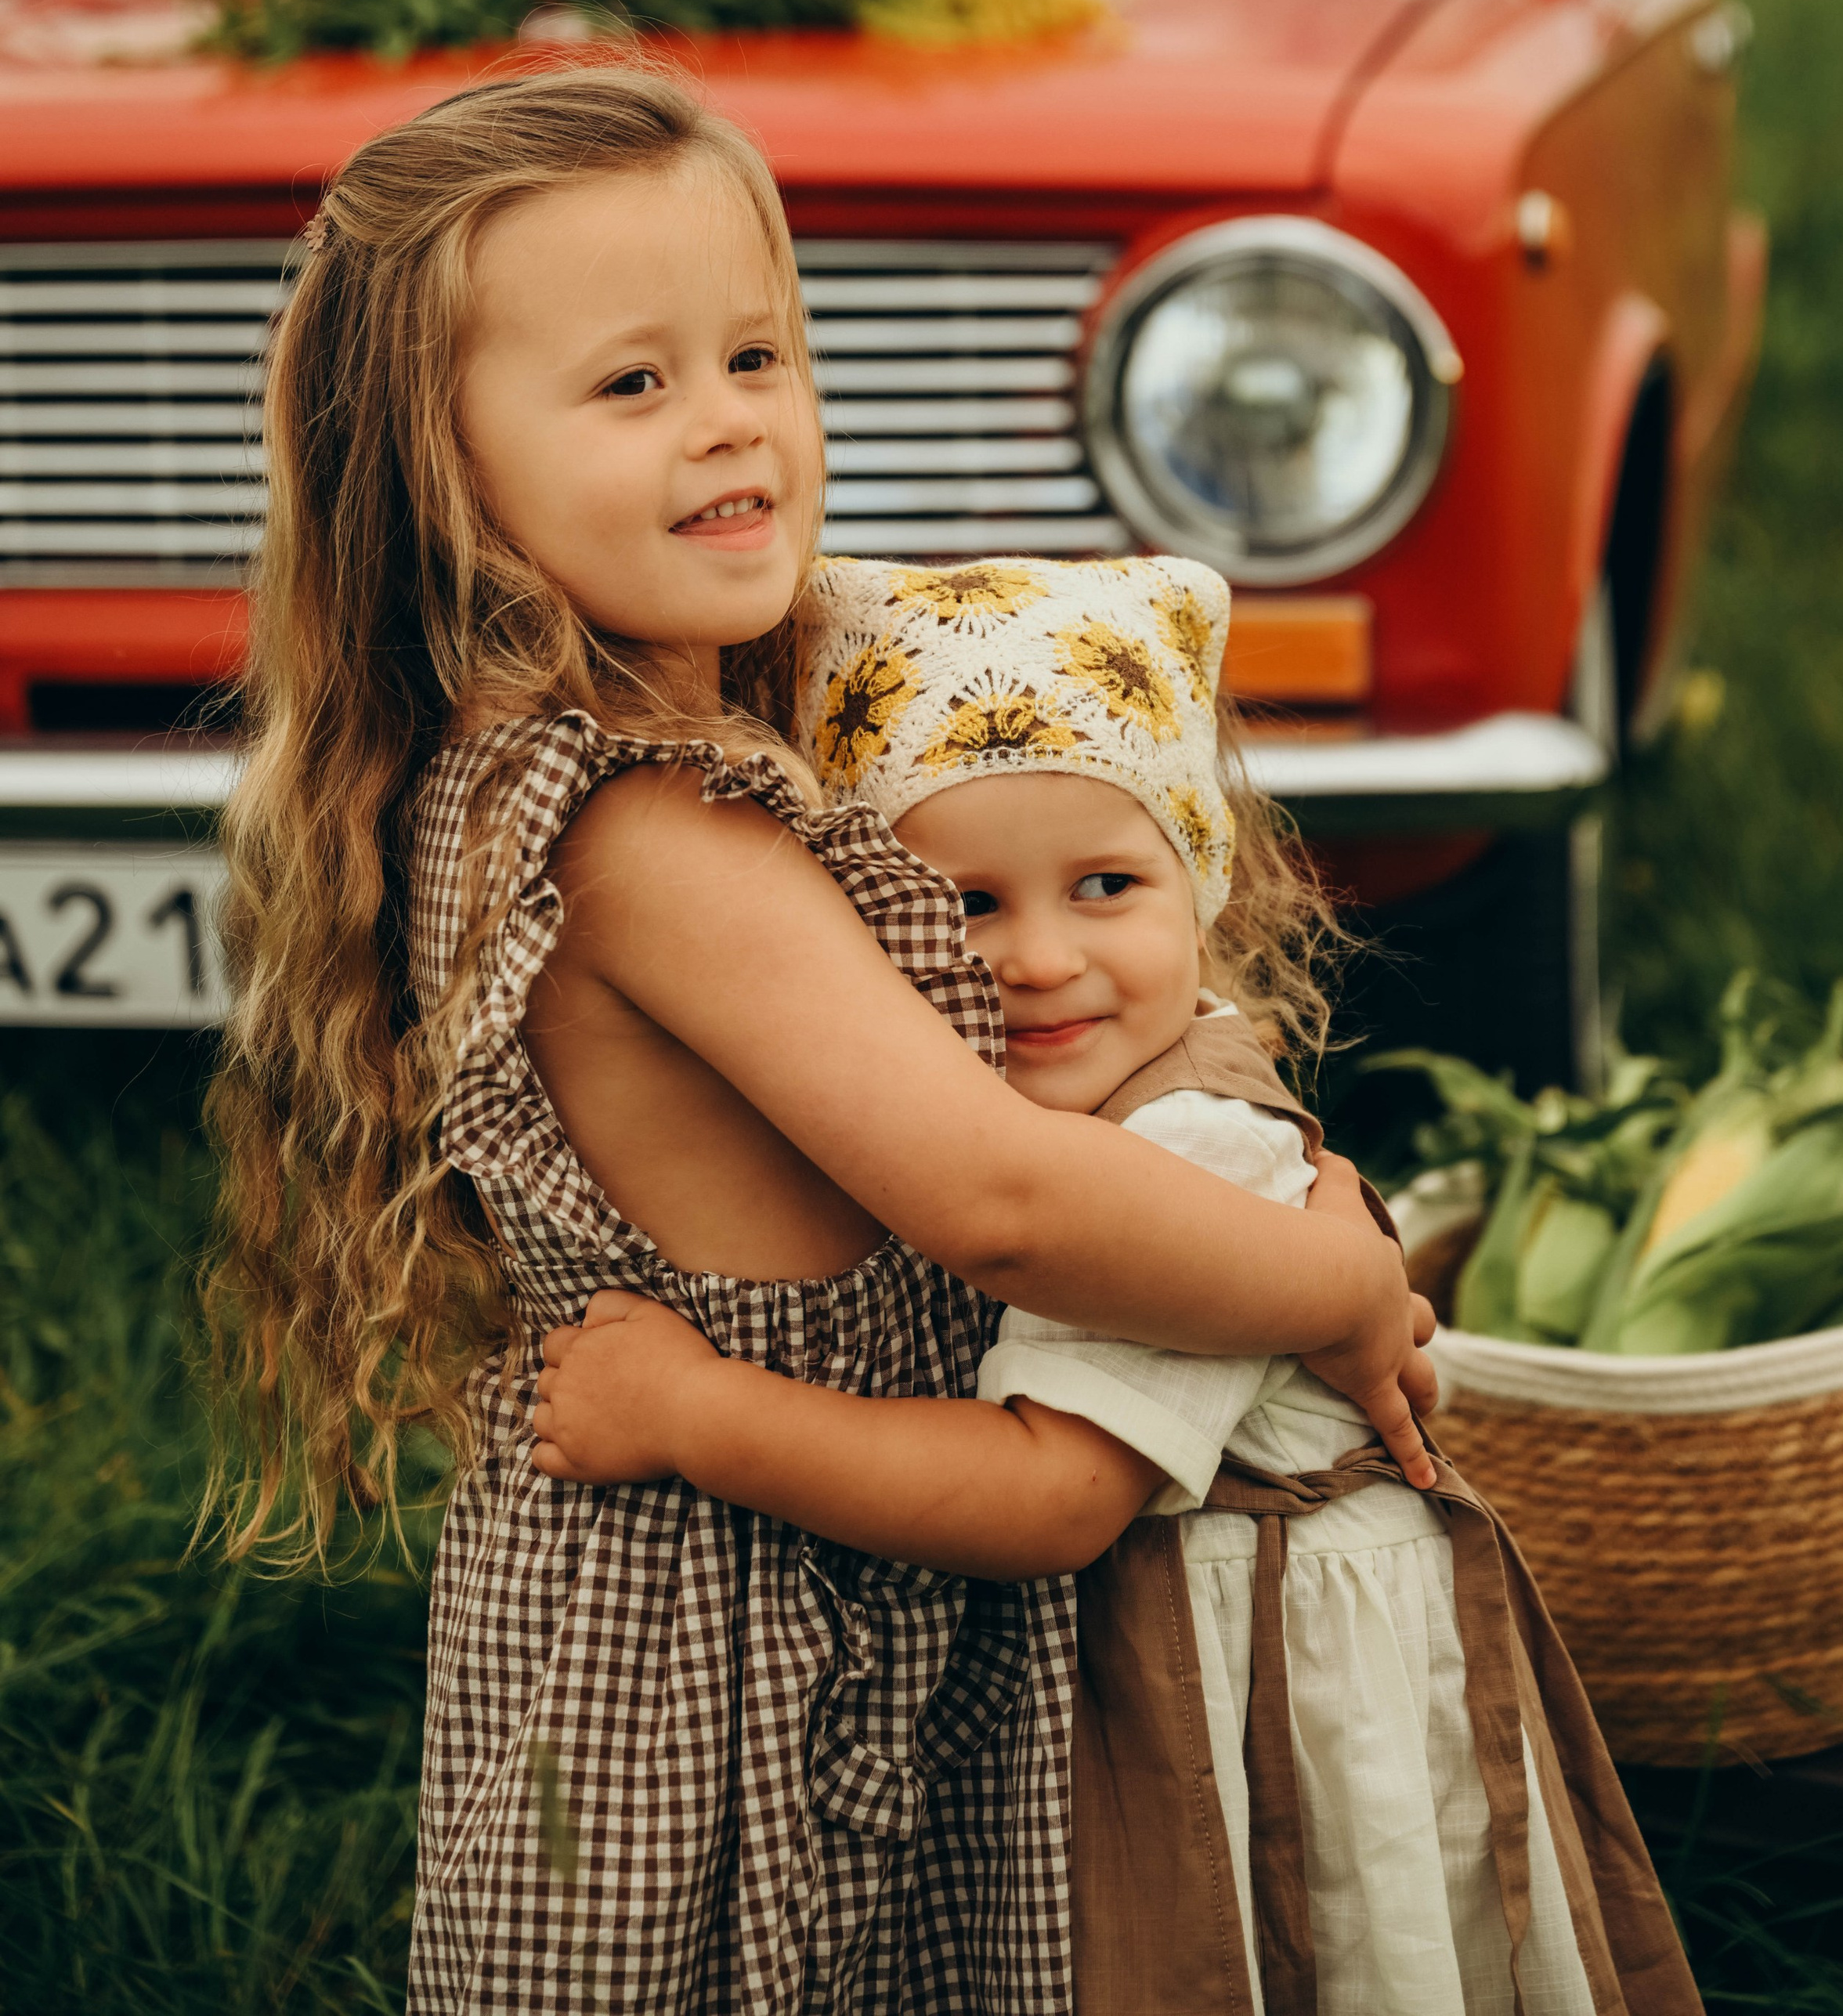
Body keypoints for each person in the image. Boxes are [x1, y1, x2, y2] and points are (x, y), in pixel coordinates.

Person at [200, 61, 1436, 2016]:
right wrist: (1335, 1285)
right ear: (441, 471)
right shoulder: (648, 831)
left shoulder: (558, 771)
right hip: (753, 1602)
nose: (729, 426)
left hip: (743, 1559)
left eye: (758, 353)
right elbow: (998, 1201)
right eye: (632, 385)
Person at [532, 552, 1704, 2016]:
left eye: (1106, 885)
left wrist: (698, 1412)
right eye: (966, 902)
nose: (1039, 958)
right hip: (1168, 1666)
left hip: (1263, 1701)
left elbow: (1048, 1496)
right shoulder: (1027, 1114)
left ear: (1198, 887)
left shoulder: (1186, 1146)